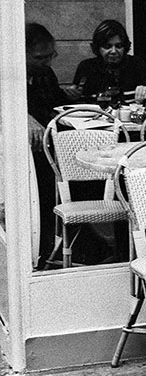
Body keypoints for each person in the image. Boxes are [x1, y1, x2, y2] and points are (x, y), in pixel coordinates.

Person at [25, 23, 80, 269]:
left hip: (50, 144)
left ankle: (64, 245)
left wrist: (68, 96)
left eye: (50, 56)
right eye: (40, 58)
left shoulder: (45, 73)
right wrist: (25, 117)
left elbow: (54, 102)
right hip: (29, 153)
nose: (47, 62)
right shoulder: (8, 74)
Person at [73, 20, 146, 103]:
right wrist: (72, 95)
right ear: (97, 48)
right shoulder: (87, 67)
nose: (113, 51)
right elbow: (77, 101)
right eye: (107, 46)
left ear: (125, 46)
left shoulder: (136, 64)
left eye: (119, 46)